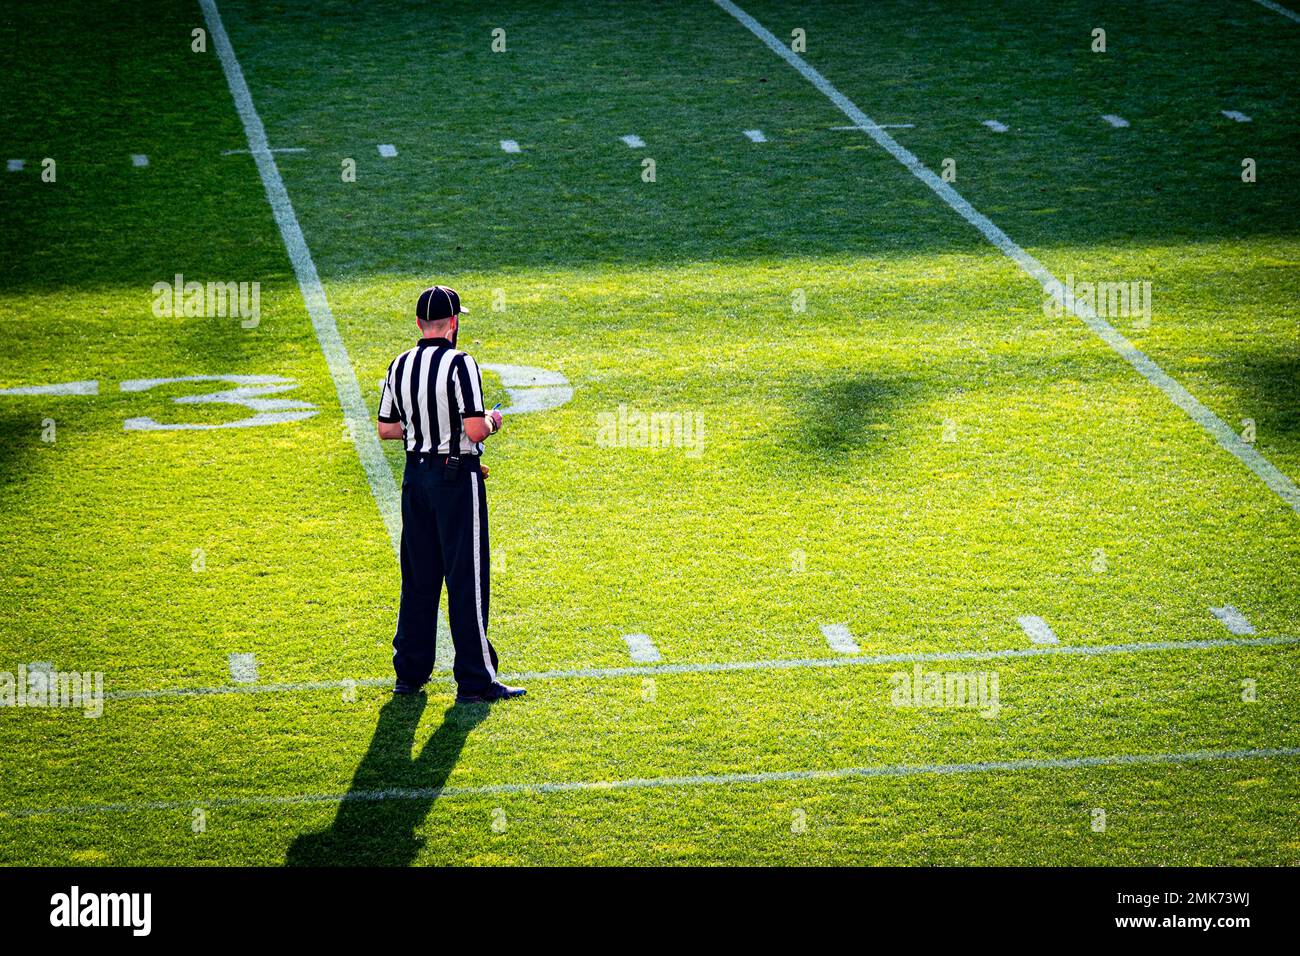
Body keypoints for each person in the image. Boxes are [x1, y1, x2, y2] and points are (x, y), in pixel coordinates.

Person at [376, 285, 525, 703]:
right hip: (455, 481)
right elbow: (476, 429)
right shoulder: (461, 364)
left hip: (415, 479)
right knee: (466, 579)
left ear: (420, 324)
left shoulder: (399, 364)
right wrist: (494, 421)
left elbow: (387, 429)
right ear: (454, 322)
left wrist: (428, 431)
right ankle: (476, 681)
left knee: (419, 578)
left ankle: (409, 673)